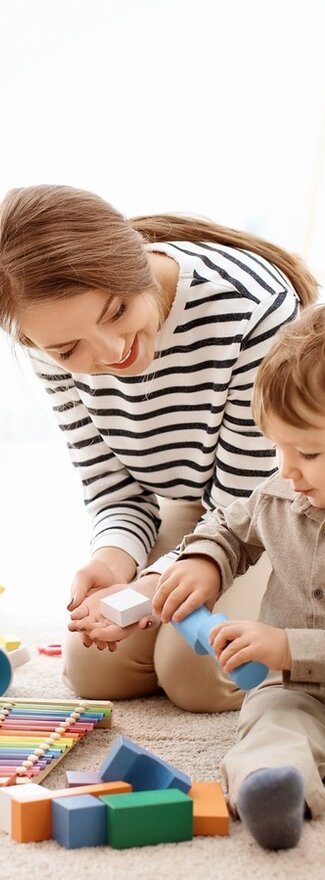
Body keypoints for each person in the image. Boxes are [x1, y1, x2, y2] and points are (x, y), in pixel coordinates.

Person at [0, 184, 318, 712]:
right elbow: (114, 489)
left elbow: (247, 501)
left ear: (136, 265)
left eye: (117, 312)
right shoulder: (48, 343)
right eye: (68, 348)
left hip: (274, 506)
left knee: (198, 672)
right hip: (191, 501)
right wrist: (115, 561)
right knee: (96, 666)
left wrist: (154, 584)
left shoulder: (250, 307)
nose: (111, 353)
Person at [150, 305, 325, 849]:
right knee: (270, 723)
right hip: (298, 691)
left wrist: (287, 645)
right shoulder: (281, 494)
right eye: (277, 446)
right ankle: (273, 790)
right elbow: (229, 527)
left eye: (309, 451)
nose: (287, 468)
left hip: (295, 661)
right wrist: (204, 559)